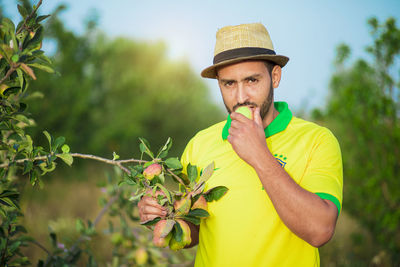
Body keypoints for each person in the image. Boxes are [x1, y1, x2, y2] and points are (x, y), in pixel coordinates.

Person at [138, 23, 343, 267]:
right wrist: (162, 216)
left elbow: (320, 230)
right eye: (229, 84)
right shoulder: (200, 144)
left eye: (252, 80)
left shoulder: (316, 140)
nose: (241, 97)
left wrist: (259, 154)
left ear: (275, 77)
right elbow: (196, 229)